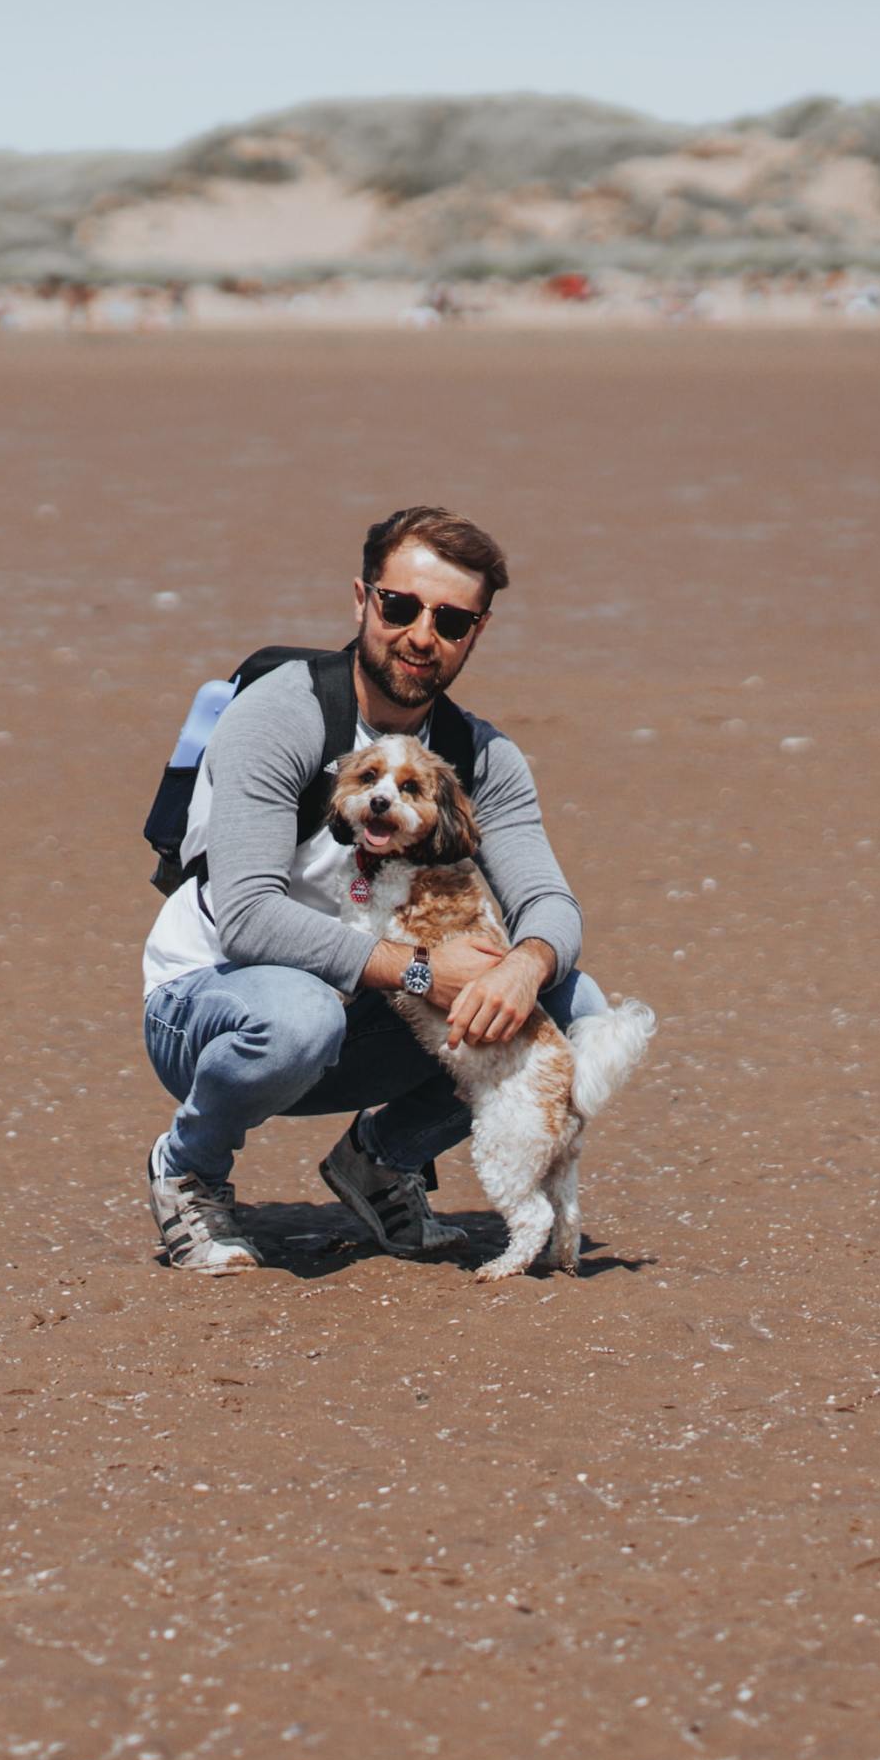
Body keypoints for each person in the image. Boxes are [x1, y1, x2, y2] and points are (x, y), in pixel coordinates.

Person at [140, 504, 606, 1273]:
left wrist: (524, 965)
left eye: (452, 620)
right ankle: (188, 1169)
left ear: (476, 633)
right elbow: (250, 919)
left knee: (575, 1007)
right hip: (215, 1003)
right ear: (362, 600)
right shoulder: (283, 715)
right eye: (402, 606)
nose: (423, 635)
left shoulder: (478, 758)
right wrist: (426, 972)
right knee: (300, 1013)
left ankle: (382, 1160)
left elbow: (552, 907)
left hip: (365, 1010)